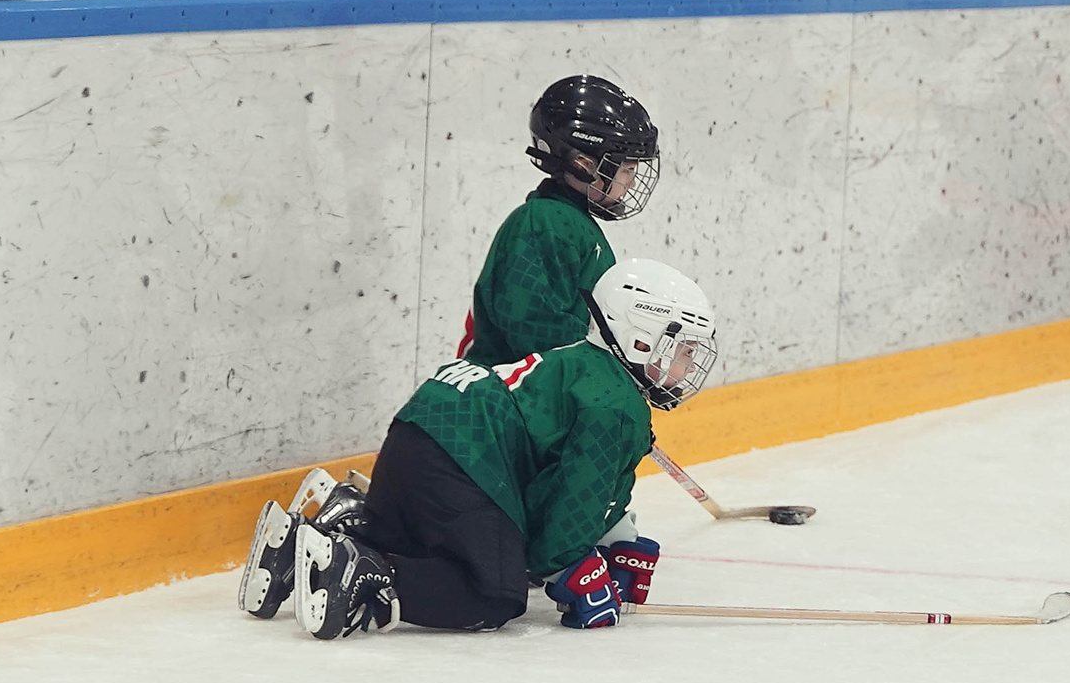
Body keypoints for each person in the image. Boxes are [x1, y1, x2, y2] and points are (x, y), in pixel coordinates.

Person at [236, 259, 717, 639]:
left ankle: (330, 532)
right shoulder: (619, 405)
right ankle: (360, 573)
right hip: (465, 455)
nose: (688, 365)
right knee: (493, 593)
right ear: (642, 335)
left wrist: (617, 539)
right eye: (685, 350)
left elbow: (566, 475)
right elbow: (571, 508)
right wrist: (572, 569)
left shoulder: (584, 362)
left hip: (423, 423)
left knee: (431, 545)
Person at [462, 75, 662, 366]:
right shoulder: (543, 222)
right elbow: (535, 330)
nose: (631, 183)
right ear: (583, 164)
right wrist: (612, 359)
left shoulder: (569, 221)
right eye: (628, 169)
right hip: (508, 400)